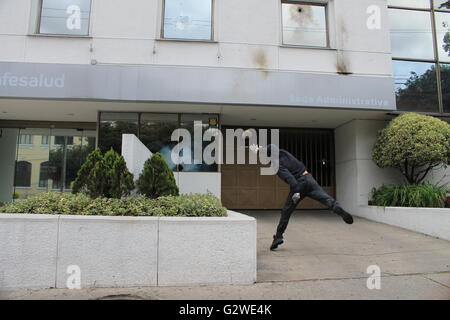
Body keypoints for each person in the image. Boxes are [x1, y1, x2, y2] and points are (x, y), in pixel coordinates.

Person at [253, 144, 354, 251]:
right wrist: (260, 149)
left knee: (286, 211)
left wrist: (296, 193)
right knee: (325, 198)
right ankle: (336, 208)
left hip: (298, 186)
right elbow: (270, 149)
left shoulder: (277, 164)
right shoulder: (283, 152)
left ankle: (278, 236)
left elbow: (290, 179)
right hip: (308, 178)